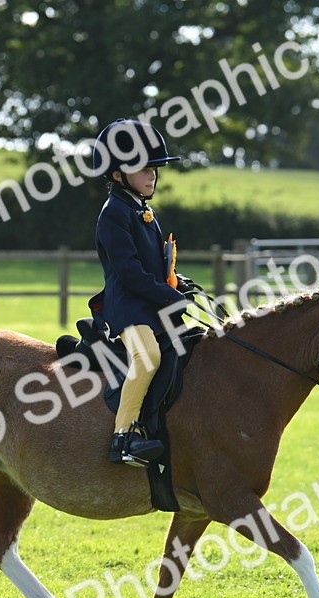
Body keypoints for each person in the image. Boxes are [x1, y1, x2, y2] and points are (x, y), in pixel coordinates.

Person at [93, 119, 196, 466]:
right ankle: (124, 437)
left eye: (155, 168)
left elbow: (153, 266)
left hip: (153, 306)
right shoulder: (113, 215)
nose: (152, 175)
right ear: (118, 173)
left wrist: (178, 282)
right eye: (143, 168)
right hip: (128, 311)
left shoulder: (142, 210)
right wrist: (171, 297)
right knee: (147, 356)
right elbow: (131, 274)